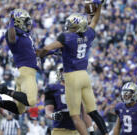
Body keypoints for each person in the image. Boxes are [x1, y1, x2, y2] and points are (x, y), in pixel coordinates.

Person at [36, 1, 108, 135]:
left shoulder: (66, 37)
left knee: (75, 116)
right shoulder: (88, 34)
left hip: (72, 77)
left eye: (71, 25)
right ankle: (106, 133)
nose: (68, 27)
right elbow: (95, 21)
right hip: (85, 76)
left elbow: (47, 48)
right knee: (92, 111)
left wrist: (37, 53)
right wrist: (99, 7)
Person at [0, 9, 38, 114]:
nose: (28, 24)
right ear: (19, 21)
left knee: (19, 109)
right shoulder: (13, 32)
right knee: (31, 101)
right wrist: (11, 21)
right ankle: (4, 90)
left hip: (21, 72)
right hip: (26, 71)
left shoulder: (25, 35)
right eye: (25, 21)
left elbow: (32, 52)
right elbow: (12, 38)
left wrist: (51, 51)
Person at [44, 65, 95, 135]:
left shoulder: (79, 88)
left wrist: (91, 130)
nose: (65, 73)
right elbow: (48, 112)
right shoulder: (53, 88)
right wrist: (53, 115)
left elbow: (85, 114)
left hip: (78, 130)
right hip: (60, 130)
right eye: (62, 71)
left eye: (67, 70)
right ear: (59, 73)